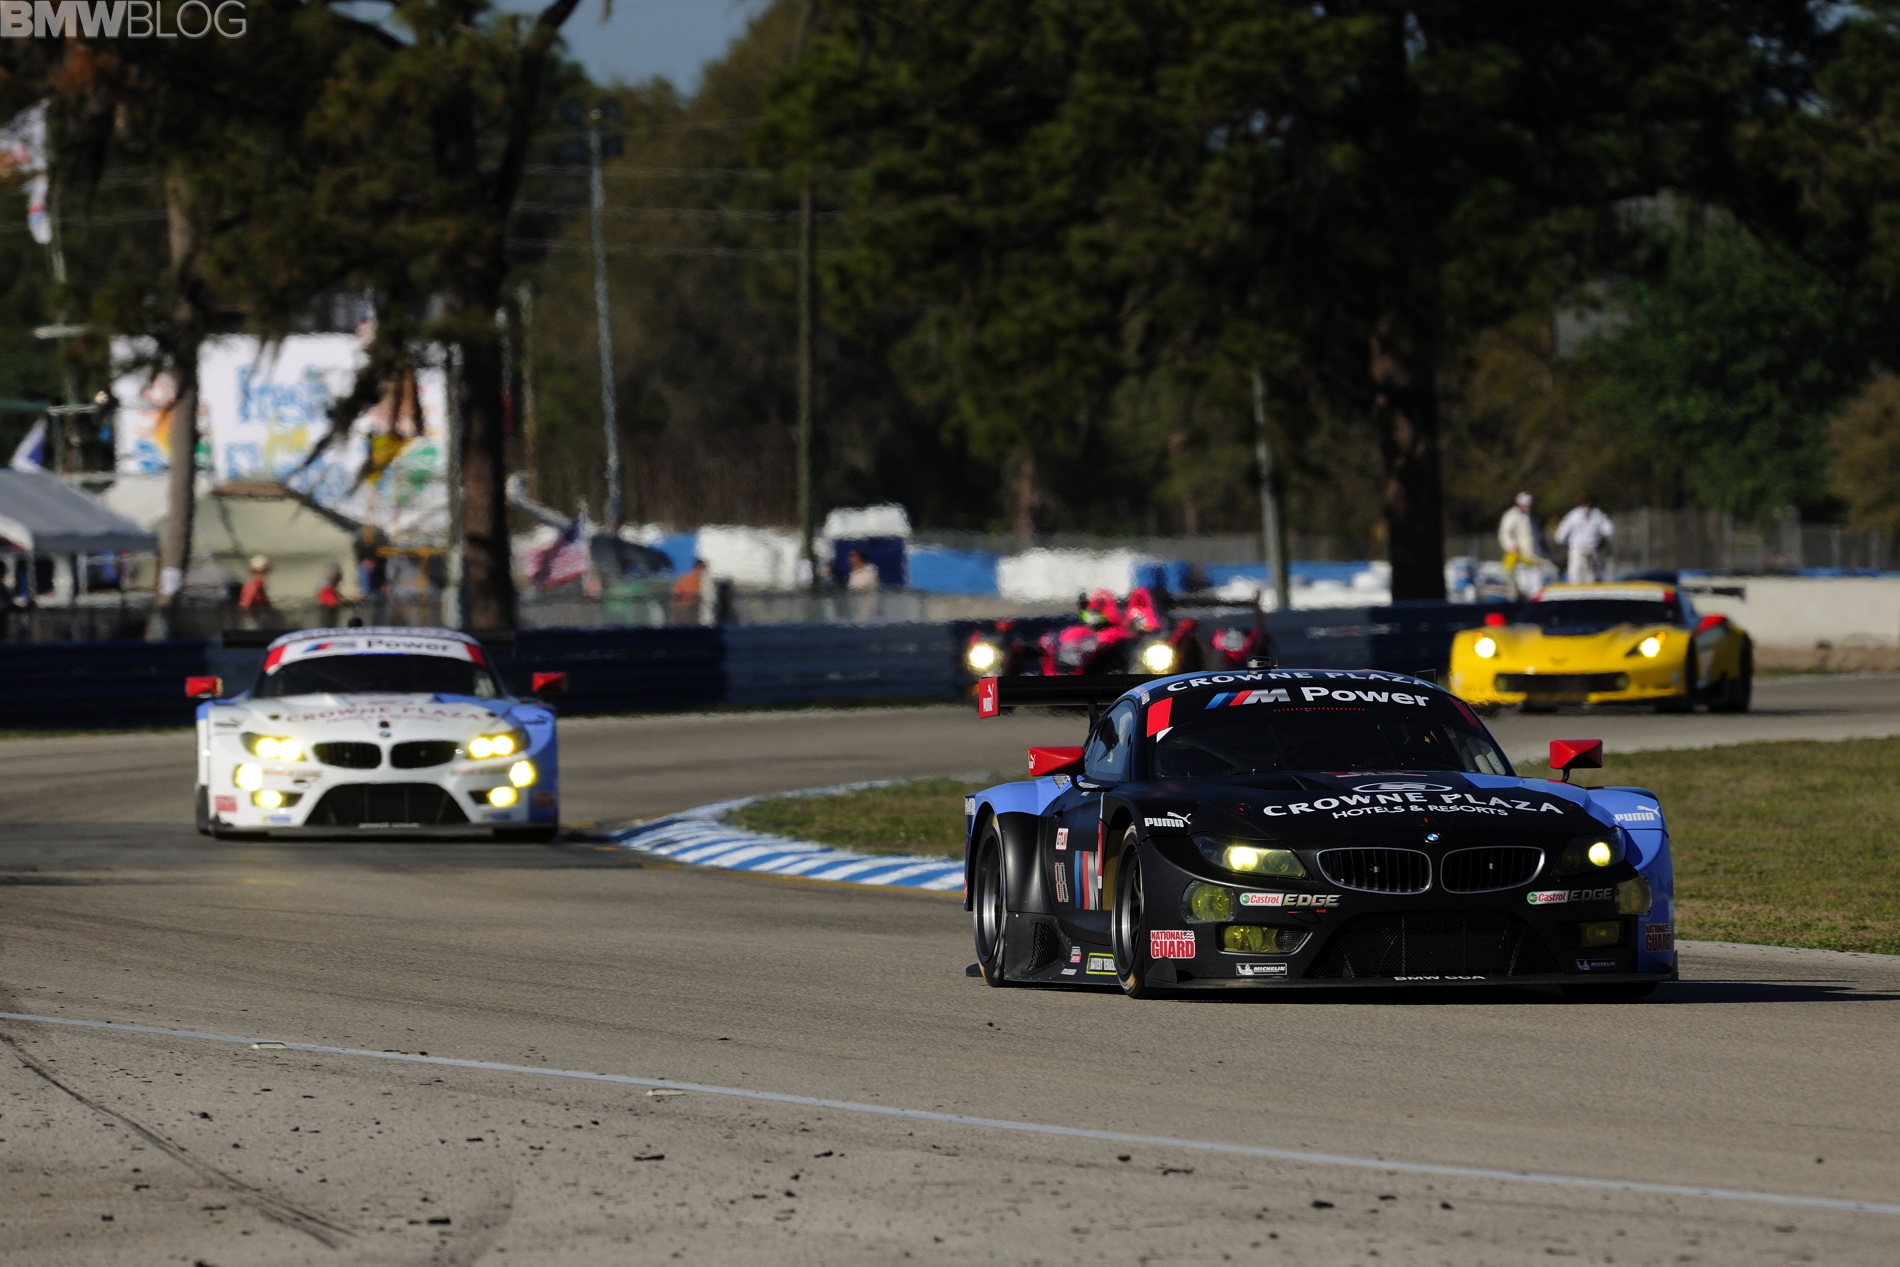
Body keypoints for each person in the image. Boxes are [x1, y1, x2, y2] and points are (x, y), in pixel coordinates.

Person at [1554, 493, 1615, 583]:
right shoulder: (1574, 515)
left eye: (1589, 504)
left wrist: (1604, 541)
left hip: (1592, 549)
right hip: (1577, 548)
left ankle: (1590, 588)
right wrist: (1562, 541)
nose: (1587, 507)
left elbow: (1609, 530)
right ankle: (1576, 587)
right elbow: (1562, 531)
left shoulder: (1597, 515)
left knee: (1591, 575)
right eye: (1585, 503)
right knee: (1576, 573)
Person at [1497, 491, 1547, 599]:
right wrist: (1511, 546)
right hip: (1521, 554)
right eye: (1526, 505)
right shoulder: (1512, 515)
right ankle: (1525, 599)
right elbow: (1505, 533)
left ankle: (1536, 600)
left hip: (1535, 553)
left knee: (1537, 581)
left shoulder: (1532, 516)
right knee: (1524, 582)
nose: (1528, 507)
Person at [238, 554, 274, 628]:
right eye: (261, 572)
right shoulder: (252, 587)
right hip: (253, 625)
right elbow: (245, 607)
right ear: (254, 572)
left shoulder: (260, 588)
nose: (263, 575)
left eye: (264, 572)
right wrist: (255, 622)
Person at [671, 558, 708, 625]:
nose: (703, 571)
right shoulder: (686, 579)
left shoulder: (702, 581)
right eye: (702, 568)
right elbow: (677, 596)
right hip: (686, 609)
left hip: (693, 609)